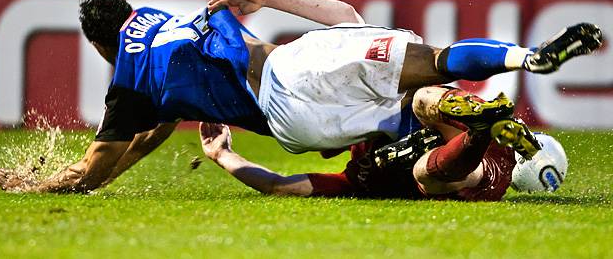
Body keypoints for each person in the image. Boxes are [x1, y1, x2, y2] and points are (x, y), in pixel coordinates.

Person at [0, 0, 600, 193]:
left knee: (414, 154)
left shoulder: (130, 85)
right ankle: (524, 64)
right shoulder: (158, 18)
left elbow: (108, 162)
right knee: (430, 70)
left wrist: (41, 182)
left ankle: (457, 140)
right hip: (291, 68)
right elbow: (334, 9)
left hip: (295, 126)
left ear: (99, 47)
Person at [199, 85, 566, 200]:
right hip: (466, 141)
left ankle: (478, 130)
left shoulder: (359, 179)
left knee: (429, 172)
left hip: (471, 164)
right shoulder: (360, 165)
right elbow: (278, 185)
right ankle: (478, 127)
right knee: (422, 101)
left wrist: (222, 155)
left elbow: (277, 185)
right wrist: (221, 154)